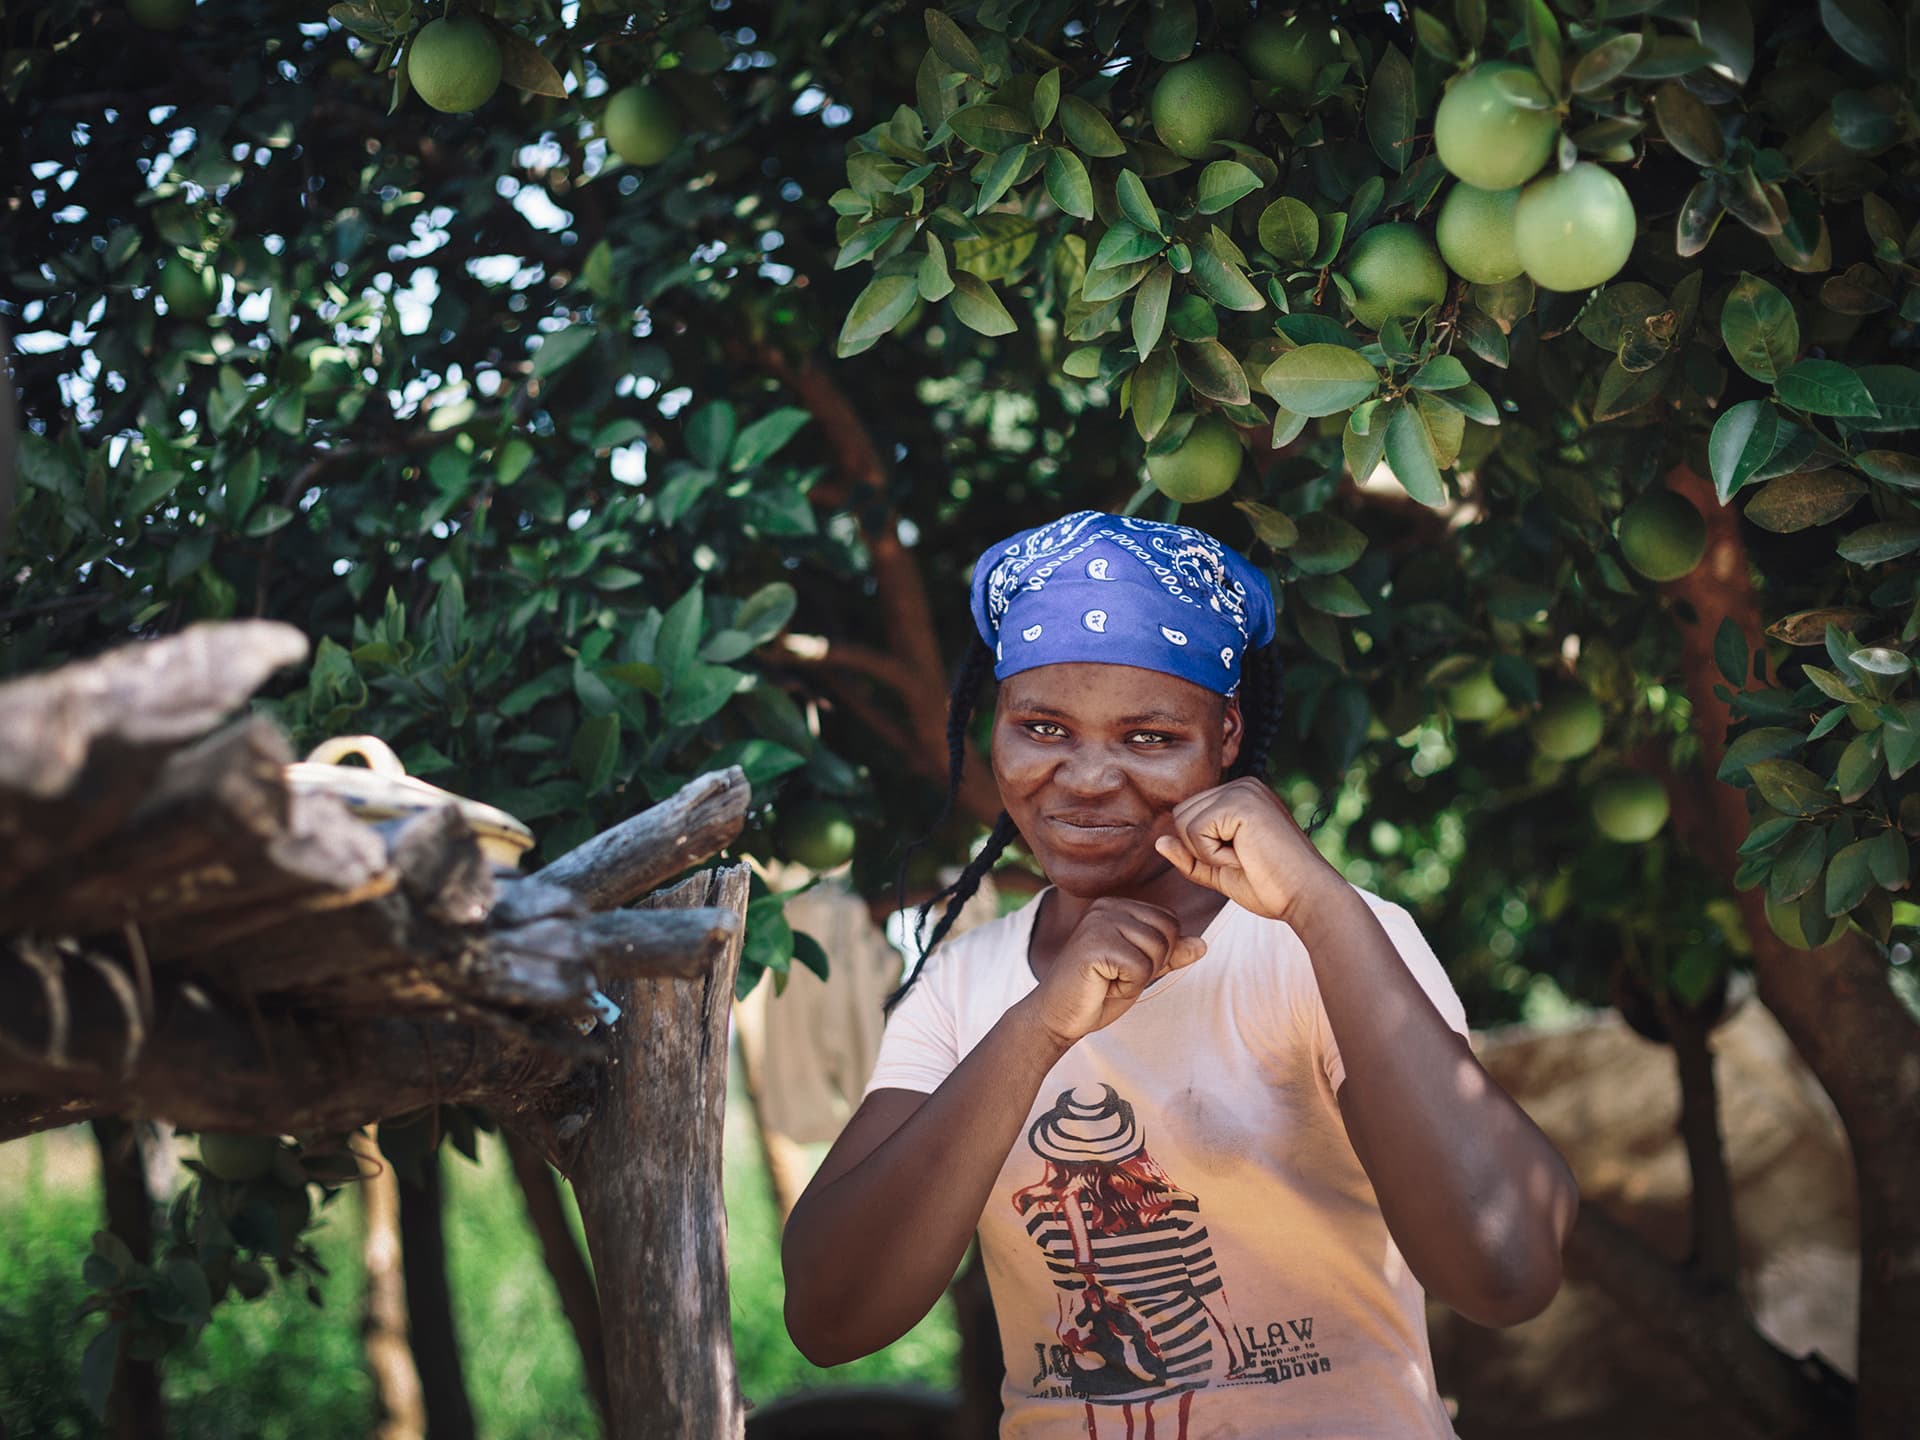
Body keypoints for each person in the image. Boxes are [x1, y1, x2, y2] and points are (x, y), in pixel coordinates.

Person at [782, 511, 1578, 1439]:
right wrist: (1038, 1027)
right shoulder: (965, 985)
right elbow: (832, 1318)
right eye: (1041, 728)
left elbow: (1506, 1270)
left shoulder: (1323, 948)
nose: (1083, 778)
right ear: (991, 729)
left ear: (1226, 736)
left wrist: (1323, 908)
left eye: (1149, 738)